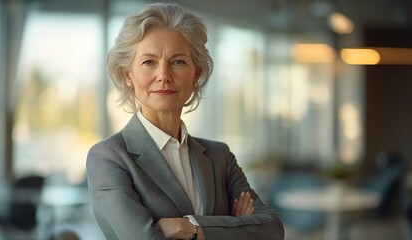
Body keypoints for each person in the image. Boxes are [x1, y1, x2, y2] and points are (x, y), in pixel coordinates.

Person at [86, 3, 284, 240]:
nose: (164, 75)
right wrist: (232, 226)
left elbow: (271, 229)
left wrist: (189, 228)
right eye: (149, 62)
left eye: (178, 61)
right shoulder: (108, 158)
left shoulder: (219, 157)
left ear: (196, 74)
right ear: (128, 75)